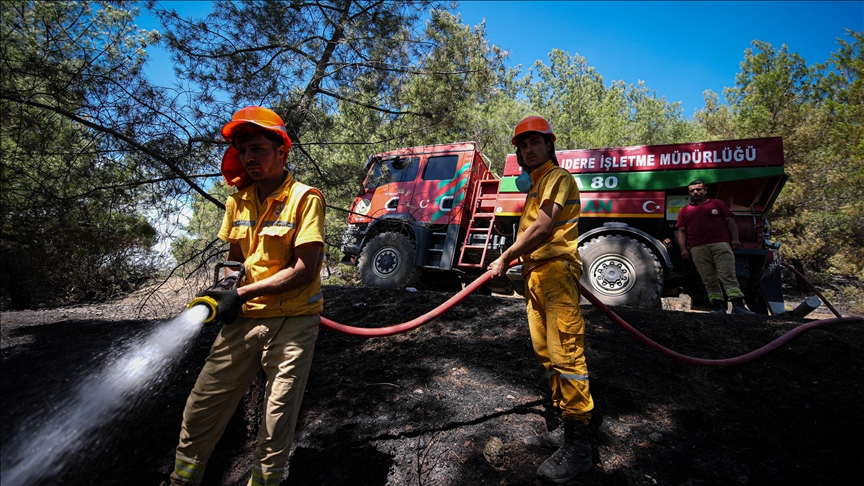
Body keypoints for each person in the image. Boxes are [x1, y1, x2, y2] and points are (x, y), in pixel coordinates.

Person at [163, 106, 326, 486]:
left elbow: (305, 270)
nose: (248, 157)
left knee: (277, 416)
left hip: (293, 320)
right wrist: (222, 293)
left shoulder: (306, 199)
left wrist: (244, 292)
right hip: (246, 318)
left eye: (257, 148)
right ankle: (182, 480)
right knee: (201, 407)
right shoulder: (238, 201)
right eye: (242, 150)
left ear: (281, 151)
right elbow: (235, 261)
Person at [488, 116, 594, 484]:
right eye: (523, 145)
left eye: (535, 142)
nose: (528, 149)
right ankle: (563, 428)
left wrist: (505, 257)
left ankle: (580, 447)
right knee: (547, 353)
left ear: (550, 145)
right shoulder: (535, 185)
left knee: (567, 355)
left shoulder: (557, 179)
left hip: (555, 273)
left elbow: (544, 227)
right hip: (536, 275)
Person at [676, 180, 755, 315]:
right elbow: (681, 231)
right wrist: (684, 249)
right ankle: (718, 308)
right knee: (708, 279)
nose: (695, 192)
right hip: (697, 248)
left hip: (720, 245)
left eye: (699, 189)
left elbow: (730, 221)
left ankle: (738, 307)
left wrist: (735, 239)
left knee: (728, 275)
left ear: (705, 190)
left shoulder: (717, 204)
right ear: (689, 193)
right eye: (692, 191)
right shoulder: (684, 211)